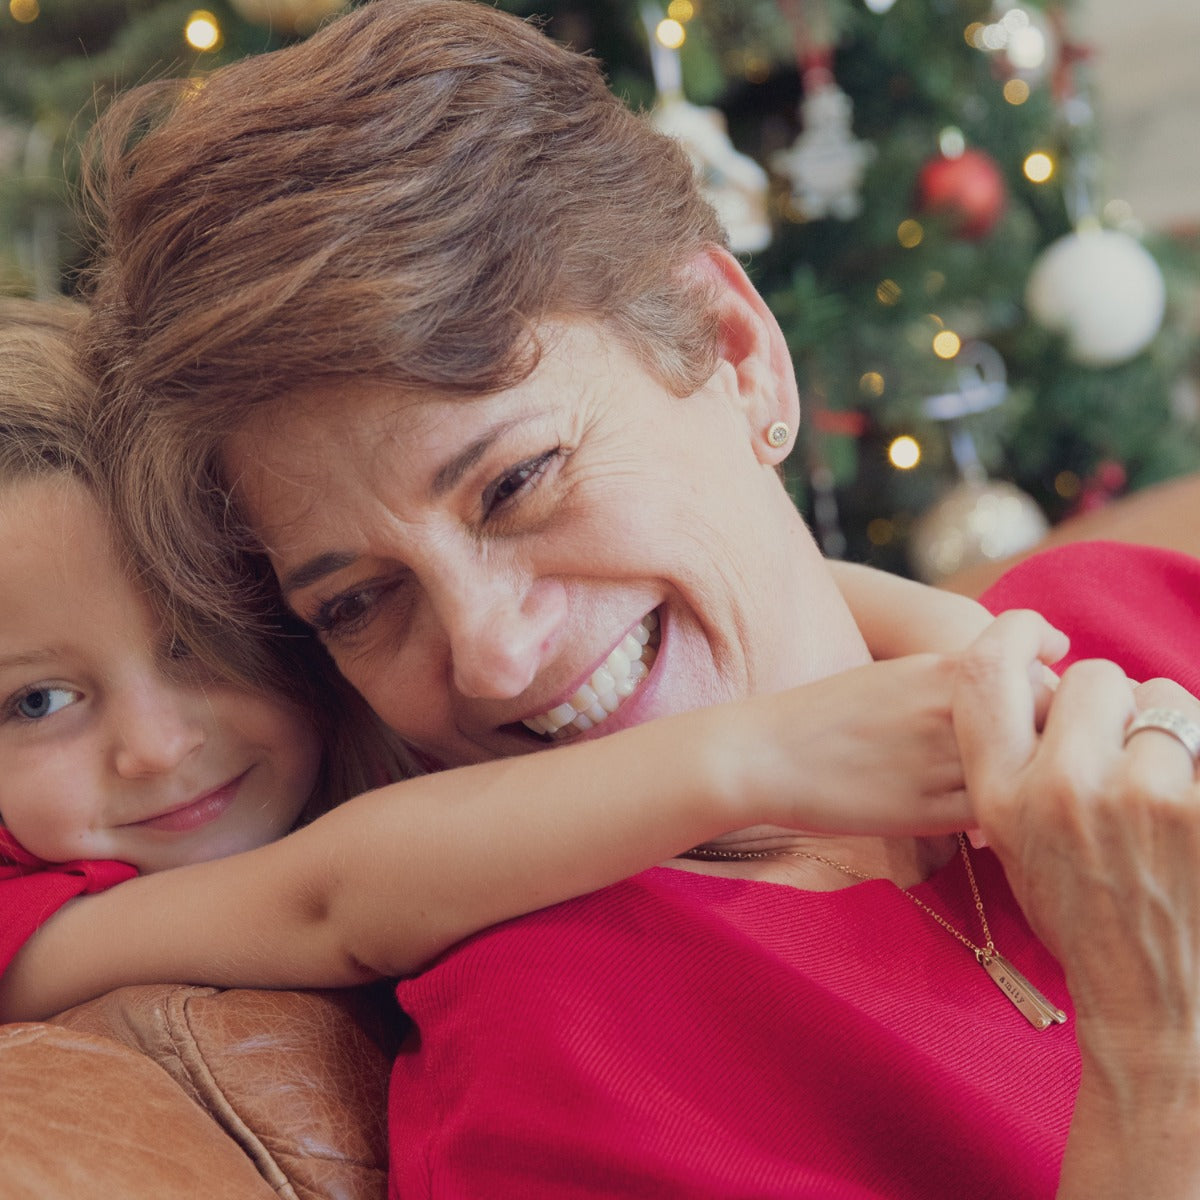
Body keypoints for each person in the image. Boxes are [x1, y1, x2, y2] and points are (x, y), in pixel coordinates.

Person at [76, 2, 1200, 1196]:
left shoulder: (1135, 613)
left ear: (736, 350)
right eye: (358, 602)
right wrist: (1155, 1052)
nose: (491, 656)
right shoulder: (565, 1066)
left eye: (516, 483)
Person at [0, 296, 989, 1022]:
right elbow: (335, 899)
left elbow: (789, 579)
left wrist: (971, 656)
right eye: (38, 700)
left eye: (203, 644)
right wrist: (753, 754)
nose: (155, 746)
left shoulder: (375, 698)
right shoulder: (29, 923)